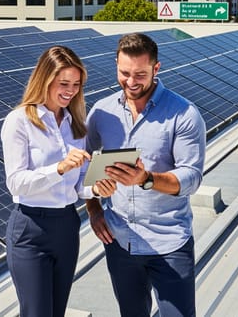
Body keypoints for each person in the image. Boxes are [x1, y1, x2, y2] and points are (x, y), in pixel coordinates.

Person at [84, 32, 206, 317]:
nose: (131, 81)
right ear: (116, 64)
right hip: (120, 243)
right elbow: (84, 167)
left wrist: (146, 179)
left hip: (169, 244)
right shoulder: (101, 112)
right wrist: (93, 209)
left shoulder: (184, 114)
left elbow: (191, 177)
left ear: (156, 68)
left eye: (140, 74)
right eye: (124, 73)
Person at [2, 45, 117, 317]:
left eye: (76, 84)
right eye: (64, 83)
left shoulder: (76, 125)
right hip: (30, 229)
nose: (71, 91)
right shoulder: (19, 121)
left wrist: (97, 187)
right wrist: (60, 168)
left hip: (67, 226)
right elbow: (16, 183)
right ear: (45, 79)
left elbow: (79, 185)